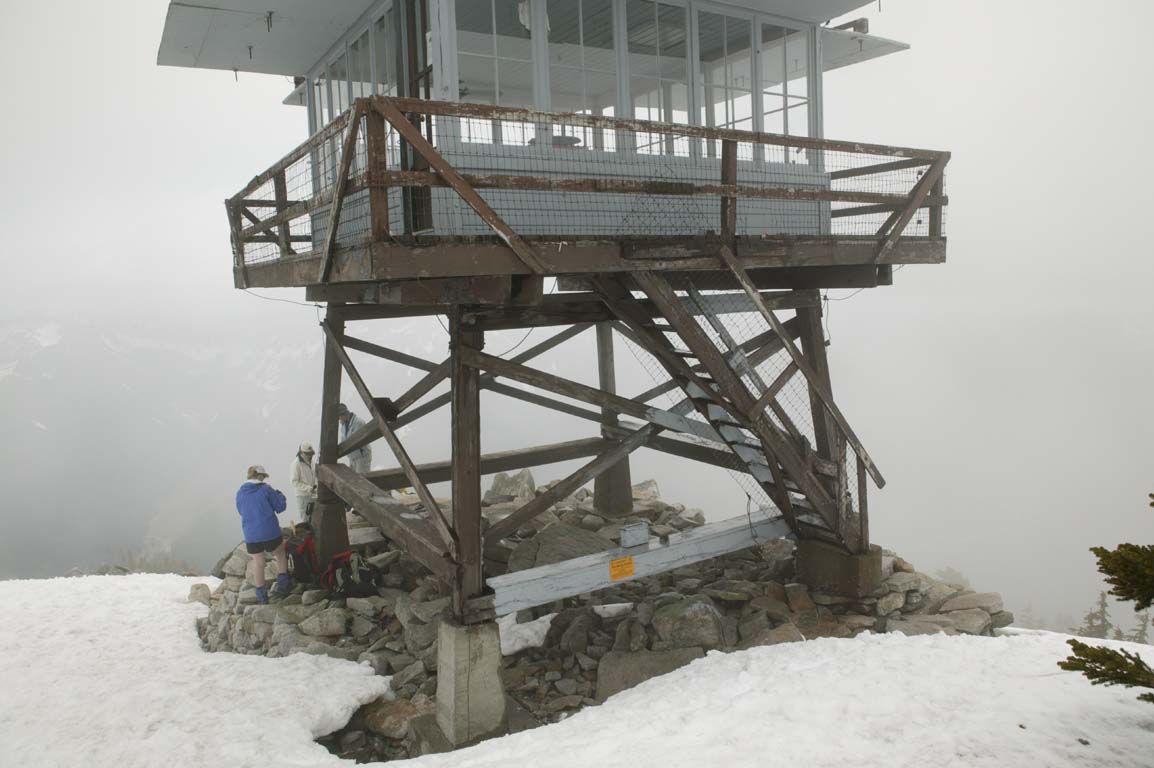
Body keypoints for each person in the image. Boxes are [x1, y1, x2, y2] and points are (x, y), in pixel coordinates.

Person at [235, 465, 291, 604]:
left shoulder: (240, 492)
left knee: (259, 562)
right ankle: (283, 587)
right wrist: (280, 496)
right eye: (263, 476)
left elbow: (241, 511)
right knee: (280, 553)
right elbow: (280, 507)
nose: (264, 479)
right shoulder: (266, 489)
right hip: (269, 531)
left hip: (251, 534)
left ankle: (262, 597)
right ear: (259, 476)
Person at [337, 403, 372, 474]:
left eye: (339, 417)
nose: (339, 419)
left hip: (361, 457)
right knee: (353, 478)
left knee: (362, 479)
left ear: (343, 414)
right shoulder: (343, 425)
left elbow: (360, 441)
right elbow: (344, 441)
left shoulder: (358, 423)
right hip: (352, 457)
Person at [289, 442, 317, 522]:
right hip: (303, 496)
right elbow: (294, 482)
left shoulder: (312, 463)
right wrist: (308, 488)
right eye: (308, 454)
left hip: (313, 495)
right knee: (306, 519)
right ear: (301, 453)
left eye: (311, 453)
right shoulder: (295, 464)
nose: (310, 455)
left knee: (315, 518)